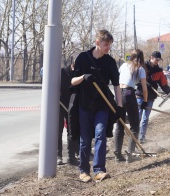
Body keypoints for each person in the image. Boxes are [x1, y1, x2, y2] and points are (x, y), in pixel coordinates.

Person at [71, 29, 123, 183]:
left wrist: (119, 106)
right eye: (106, 45)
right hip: (85, 105)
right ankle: (83, 171)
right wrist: (83, 77)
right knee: (85, 139)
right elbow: (72, 82)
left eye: (110, 45)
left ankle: (99, 170)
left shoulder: (110, 62)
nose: (108, 48)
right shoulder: (83, 58)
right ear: (97, 42)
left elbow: (117, 85)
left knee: (100, 135)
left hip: (102, 105)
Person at [113, 49, 148, 163]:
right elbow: (144, 88)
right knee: (134, 126)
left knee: (120, 125)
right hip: (128, 93)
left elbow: (117, 80)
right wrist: (145, 101)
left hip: (119, 94)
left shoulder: (123, 65)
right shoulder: (140, 68)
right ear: (141, 58)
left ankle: (118, 155)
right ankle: (130, 154)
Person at [136, 51, 170, 144]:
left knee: (145, 119)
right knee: (138, 117)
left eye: (159, 60)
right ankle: (134, 136)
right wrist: (143, 82)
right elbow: (136, 79)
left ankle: (142, 137)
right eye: (156, 59)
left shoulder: (159, 71)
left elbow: (164, 84)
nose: (157, 61)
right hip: (140, 95)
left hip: (150, 97)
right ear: (151, 57)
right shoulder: (143, 66)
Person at [57, 63, 79, 166]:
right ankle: (58, 156)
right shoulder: (62, 72)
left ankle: (71, 157)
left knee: (72, 130)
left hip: (72, 105)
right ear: (72, 65)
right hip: (60, 104)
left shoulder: (79, 73)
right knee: (58, 130)